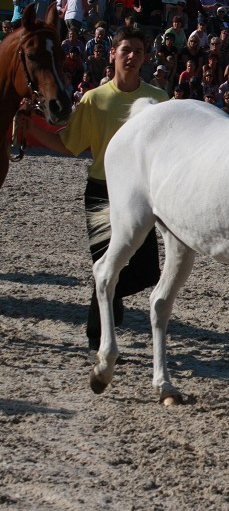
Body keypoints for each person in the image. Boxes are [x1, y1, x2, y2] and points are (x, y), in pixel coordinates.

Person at [23, 25, 169, 351]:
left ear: (145, 57)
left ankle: (106, 302)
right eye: (125, 50)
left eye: (138, 52)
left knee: (145, 272)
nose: (132, 57)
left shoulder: (159, 100)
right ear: (113, 54)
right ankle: (97, 338)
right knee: (109, 264)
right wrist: (31, 126)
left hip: (144, 197)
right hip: (103, 192)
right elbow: (68, 145)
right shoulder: (95, 100)